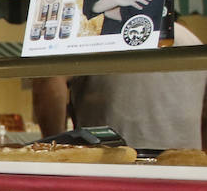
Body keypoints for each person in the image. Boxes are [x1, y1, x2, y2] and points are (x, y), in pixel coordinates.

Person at [32, 25, 207, 150]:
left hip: (112, 160)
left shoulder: (98, 35)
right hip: (185, 163)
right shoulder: (191, 40)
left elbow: (49, 81)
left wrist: (54, 149)